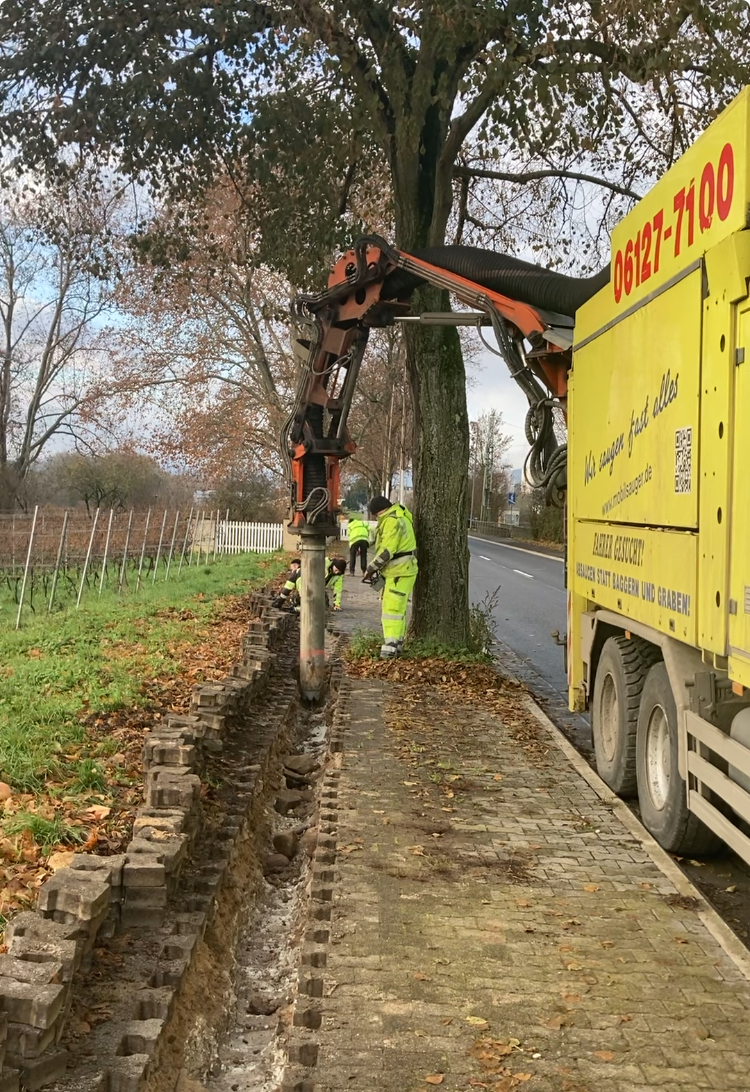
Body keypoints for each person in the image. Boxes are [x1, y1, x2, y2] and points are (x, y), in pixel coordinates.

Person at [364, 496, 417, 659]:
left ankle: (389, 648)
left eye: (375, 515)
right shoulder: (400, 517)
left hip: (398, 571)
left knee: (391, 610)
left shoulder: (391, 521)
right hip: (404, 570)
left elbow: (387, 551)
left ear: (378, 512)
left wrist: (371, 568)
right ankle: (397, 645)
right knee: (398, 609)